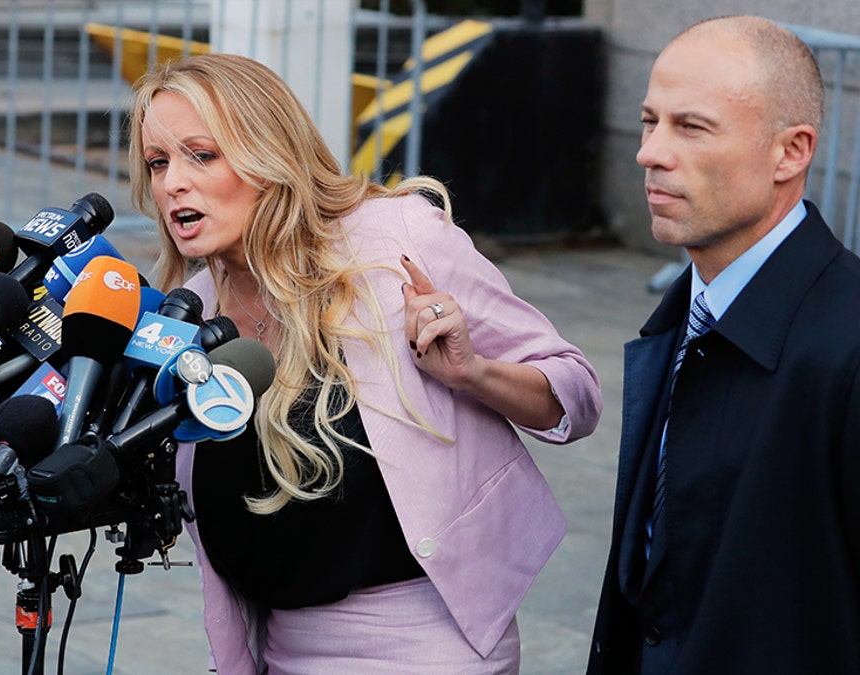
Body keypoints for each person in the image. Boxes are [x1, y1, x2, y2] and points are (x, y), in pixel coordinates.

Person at [126, 52, 602, 673]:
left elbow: (577, 394)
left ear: (270, 154)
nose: (172, 184)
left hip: (427, 643)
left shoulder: (395, 239)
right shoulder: (189, 317)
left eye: (202, 155)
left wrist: (472, 371)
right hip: (274, 647)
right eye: (158, 163)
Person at [588, 15, 860, 674]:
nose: (649, 151)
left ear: (791, 152)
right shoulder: (685, 314)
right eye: (651, 121)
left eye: (692, 126)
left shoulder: (847, 346)